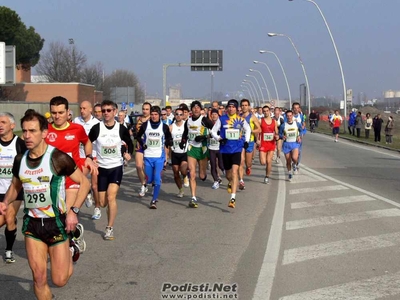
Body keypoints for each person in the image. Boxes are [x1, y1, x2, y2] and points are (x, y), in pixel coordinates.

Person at [0, 111, 90, 300]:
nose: (26, 136)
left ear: (44, 133)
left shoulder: (58, 158)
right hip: (32, 224)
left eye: (32, 131)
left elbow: (85, 183)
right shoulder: (20, 159)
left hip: (56, 222)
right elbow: (15, 186)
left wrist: (73, 212)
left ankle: (71, 247)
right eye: (24, 131)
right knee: (39, 278)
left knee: (59, 280)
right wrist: (5, 202)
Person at [46, 96, 98, 216]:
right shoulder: (45, 130)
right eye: (54, 113)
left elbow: (87, 142)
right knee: (54, 216)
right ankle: (74, 232)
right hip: (51, 179)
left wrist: (89, 157)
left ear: (68, 112)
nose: (57, 116)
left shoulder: (77, 129)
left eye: (61, 112)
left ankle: (71, 226)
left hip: (72, 177)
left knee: (67, 213)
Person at [88, 100, 133, 239]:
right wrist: (90, 157)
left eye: (109, 110)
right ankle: (91, 193)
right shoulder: (96, 129)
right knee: (102, 203)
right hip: (101, 168)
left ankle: (109, 228)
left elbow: (130, 143)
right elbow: (87, 143)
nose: (106, 113)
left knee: (111, 196)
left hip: (116, 167)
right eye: (103, 110)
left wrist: (128, 153)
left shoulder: (121, 129)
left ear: (114, 111)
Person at [211, 99, 251, 208]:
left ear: (236, 108)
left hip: (237, 149)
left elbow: (248, 129)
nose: (231, 108)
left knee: (234, 172)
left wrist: (246, 141)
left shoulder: (241, 120)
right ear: (227, 108)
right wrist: (219, 139)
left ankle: (232, 199)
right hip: (225, 150)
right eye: (229, 106)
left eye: (233, 107)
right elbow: (213, 131)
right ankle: (231, 182)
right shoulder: (222, 119)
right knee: (229, 175)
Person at [0, 112, 27, 263]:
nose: (0, 125)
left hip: (15, 189)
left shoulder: (20, 145)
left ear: (12, 126)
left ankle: (9, 250)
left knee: (9, 217)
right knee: (3, 220)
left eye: (3, 122)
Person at [135, 106, 172, 209]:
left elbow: (169, 137)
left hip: (159, 157)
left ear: (159, 115)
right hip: (148, 156)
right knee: (149, 178)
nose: (154, 116)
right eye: (152, 114)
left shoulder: (164, 127)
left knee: (157, 178)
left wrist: (169, 142)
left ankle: (154, 200)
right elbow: (138, 136)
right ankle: (149, 185)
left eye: (156, 114)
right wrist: (142, 143)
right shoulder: (145, 125)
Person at [180, 101, 215, 208]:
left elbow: (215, 131)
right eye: (194, 108)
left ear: (200, 109)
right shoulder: (188, 121)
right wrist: (183, 141)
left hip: (203, 149)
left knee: (202, 175)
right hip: (191, 149)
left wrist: (204, 137)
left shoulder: (204, 120)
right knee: (192, 173)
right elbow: (185, 133)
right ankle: (193, 197)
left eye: (198, 108)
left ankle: (204, 172)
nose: (196, 109)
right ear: (191, 110)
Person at [73, 100, 101, 219]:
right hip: (80, 157)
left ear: (90, 110)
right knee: (78, 183)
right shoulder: (76, 121)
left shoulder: (97, 124)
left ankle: (97, 208)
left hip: (93, 157)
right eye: (81, 108)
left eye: (85, 108)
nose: (82, 110)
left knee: (95, 186)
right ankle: (76, 207)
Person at [239, 99, 260, 190]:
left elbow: (259, 129)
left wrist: (250, 131)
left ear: (248, 106)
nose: (244, 107)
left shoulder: (252, 117)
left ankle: (249, 167)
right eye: (242, 105)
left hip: (250, 141)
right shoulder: (238, 117)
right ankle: (241, 180)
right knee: (241, 161)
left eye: (245, 105)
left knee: (248, 162)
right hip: (240, 142)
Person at [169, 107, 189, 197]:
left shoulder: (186, 125)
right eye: (177, 114)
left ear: (183, 115)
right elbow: (168, 141)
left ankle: (185, 176)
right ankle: (181, 190)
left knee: (183, 169)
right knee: (176, 172)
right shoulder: (171, 127)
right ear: (174, 115)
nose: (178, 116)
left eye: (181, 114)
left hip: (184, 152)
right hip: (175, 152)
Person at [257, 106, 278, 184]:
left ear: (270, 111)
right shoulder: (260, 121)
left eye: (267, 111)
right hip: (263, 143)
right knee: (263, 162)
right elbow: (258, 131)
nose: (266, 112)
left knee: (269, 161)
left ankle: (267, 176)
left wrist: (277, 136)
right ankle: (266, 171)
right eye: (264, 111)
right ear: (262, 112)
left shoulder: (274, 121)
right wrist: (257, 140)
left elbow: (276, 131)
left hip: (271, 144)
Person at [280, 110, 302, 182]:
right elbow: (280, 134)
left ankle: (294, 165)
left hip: (295, 143)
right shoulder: (283, 125)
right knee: (288, 160)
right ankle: (289, 173)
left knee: (295, 158)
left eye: (290, 116)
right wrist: (282, 136)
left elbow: (301, 130)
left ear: (292, 116)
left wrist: (299, 136)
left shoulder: (297, 124)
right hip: (286, 144)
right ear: (286, 116)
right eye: (288, 116)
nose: (289, 117)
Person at [136, 102, 152, 197]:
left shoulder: (153, 119)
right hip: (140, 145)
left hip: (150, 146)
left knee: (149, 168)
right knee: (138, 166)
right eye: (144, 109)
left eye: (147, 109)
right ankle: (143, 184)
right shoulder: (139, 119)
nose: (145, 111)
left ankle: (153, 182)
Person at [208, 108, 224, 189]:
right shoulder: (208, 124)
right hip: (211, 147)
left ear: (218, 115)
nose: (214, 116)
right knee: (213, 165)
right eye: (212, 114)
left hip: (220, 147)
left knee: (221, 165)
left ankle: (227, 174)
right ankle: (215, 181)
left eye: (215, 114)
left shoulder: (221, 123)